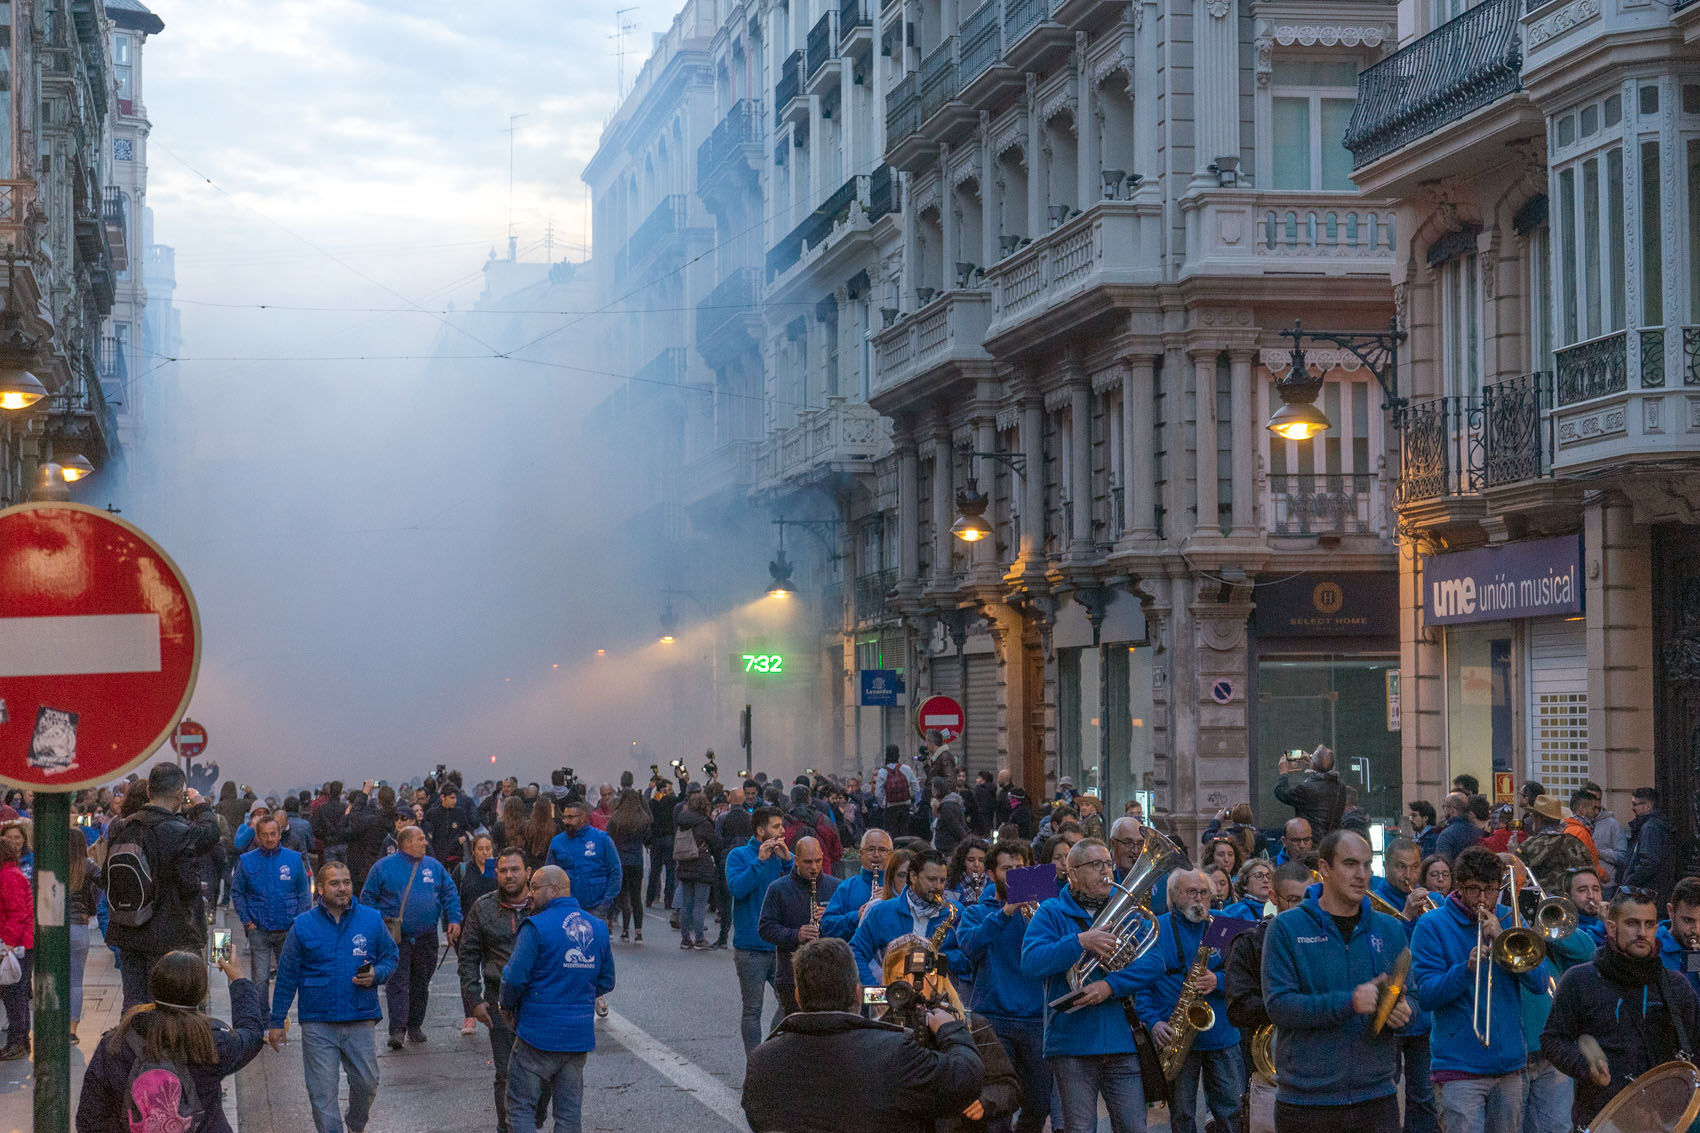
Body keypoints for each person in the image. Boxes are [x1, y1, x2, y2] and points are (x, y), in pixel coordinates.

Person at [741, 937, 984, 1133]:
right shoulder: (893, 1052)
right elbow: (964, 1079)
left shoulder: (762, 1059)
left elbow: (758, 1117)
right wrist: (948, 1028)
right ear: (858, 995)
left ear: (798, 997)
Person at [1260, 829, 1413, 1132]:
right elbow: (1279, 1006)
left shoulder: (1390, 929)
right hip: (1307, 1102)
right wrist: (1351, 1002)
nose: (1362, 875)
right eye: (1350, 864)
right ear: (1325, 869)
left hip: (1376, 1097)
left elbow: (1415, 997)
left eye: (1368, 865)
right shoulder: (1285, 928)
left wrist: (1404, 1011)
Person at [1410, 845, 1553, 1132]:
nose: (1484, 899)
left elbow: (1539, 983)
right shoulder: (1432, 924)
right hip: (1459, 1068)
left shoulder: (1510, 919)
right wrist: (1464, 970)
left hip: (1510, 1064)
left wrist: (1504, 942)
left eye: (1491, 889)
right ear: (1459, 886)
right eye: (1474, 889)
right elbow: (1426, 995)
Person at [1020, 838, 1149, 1133]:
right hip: (1072, 1042)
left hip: (1120, 1039)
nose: (1106, 872)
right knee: (1079, 1128)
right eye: (1095, 865)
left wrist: (1110, 986)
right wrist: (1079, 942)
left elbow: (1153, 963)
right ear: (1073, 873)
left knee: (1134, 1127)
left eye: (1108, 864)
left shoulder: (1126, 910)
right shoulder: (1051, 911)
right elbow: (1031, 962)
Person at [1543, 886, 1700, 1127]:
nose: (1642, 932)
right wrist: (1586, 1066)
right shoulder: (1580, 980)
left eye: (1649, 924)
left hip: (1663, 1122)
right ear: (1611, 927)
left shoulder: (1676, 986)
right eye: (1632, 923)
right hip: (1601, 1116)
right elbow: (1552, 1040)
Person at [266, 861, 398, 1133]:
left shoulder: (371, 919)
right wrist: (276, 1021)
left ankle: (355, 1123)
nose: (342, 888)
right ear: (321, 888)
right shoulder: (302, 927)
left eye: (347, 882)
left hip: (360, 1016)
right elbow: (287, 976)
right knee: (322, 1094)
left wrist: (377, 974)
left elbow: (390, 957)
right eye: (335, 883)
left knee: (367, 1082)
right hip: (318, 1022)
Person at [76, 950, 265, 1133]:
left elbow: (90, 1117)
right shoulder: (212, 1041)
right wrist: (239, 981)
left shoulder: (117, 1042)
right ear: (201, 994)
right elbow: (252, 1034)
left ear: (153, 986)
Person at [499, 865, 616, 1133]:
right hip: (577, 1037)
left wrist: (505, 1006)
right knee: (568, 1115)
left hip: (537, 1034)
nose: (530, 894)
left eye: (535, 888)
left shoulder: (536, 926)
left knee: (520, 1109)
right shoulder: (597, 927)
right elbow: (607, 980)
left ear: (553, 890)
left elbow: (515, 978)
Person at [1128, 869, 1242, 1133]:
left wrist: (1219, 980)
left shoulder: (1222, 923)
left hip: (1221, 1033)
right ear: (1174, 895)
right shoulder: (1154, 927)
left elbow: (1243, 973)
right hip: (1175, 1035)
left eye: (1204, 893)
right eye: (1192, 892)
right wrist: (1153, 1021)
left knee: (1230, 1111)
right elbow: (1142, 982)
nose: (1199, 899)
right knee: (1182, 1115)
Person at [105, 761, 223, 1010]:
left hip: (129, 929)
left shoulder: (121, 827)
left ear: (149, 791)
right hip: (169, 934)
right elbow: (210, 833)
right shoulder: (177, 831)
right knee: (172, 1007)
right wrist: (201, 804)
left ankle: (132, 1046)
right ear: (180, 793)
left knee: (135, 1003)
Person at [879, 938, 1020, 1133]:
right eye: (899, 978)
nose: (911, 986)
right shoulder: (881, 1030)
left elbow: (1008, 1087)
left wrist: (986, 1100)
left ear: (936, 976)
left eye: (918, 976)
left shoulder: (969, 1024)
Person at [958, 839, 1046, 1133]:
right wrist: (1006, 912)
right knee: (997, 1106)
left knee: (1039, 1104)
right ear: (992, 873)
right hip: (993, 1018)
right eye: (1007, 869)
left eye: (1021, 868)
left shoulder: (1042, 911)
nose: (1015, 874)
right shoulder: (976, 912)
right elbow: (970, 946)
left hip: (1036, 1018)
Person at [358, 825, 462, 1049]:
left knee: (421, 982)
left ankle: (415, 1025)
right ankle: (397, 1030)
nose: (425, 843)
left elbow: (449, 892)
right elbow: (367, 898)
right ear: (405, 843)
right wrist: (377, 924)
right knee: (397, 983)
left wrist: (453, 919)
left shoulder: (434, 866)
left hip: (426, 938)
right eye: (420, 839)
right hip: (397, 938)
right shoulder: (383, 867)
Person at [1364, 836, 1439, 1133]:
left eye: (1414, 867)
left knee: (1424, 1096)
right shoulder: (1371, 902)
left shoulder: (1433, 902)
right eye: (1400, 867)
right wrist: (1406, 917)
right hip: (1389, 1011)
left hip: (1423, 1014)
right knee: (1385, 1092)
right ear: (1386, 865)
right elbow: (1386, 953)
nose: (1408, 875)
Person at [459, 847, 534, 1133]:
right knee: (505, 1072)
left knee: (543, 1072)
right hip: (499, 1001)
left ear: (527, 872)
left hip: (539, 1001)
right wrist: (474, 1001)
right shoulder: (483, 907)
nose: (509, 875)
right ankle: (508, 1128)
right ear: (496, 874)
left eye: (515, 869)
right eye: (503, 870)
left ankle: (531, 1120)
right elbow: (468, 956)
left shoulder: (541, 905)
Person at [1223, 860, 1310, 1095]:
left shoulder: (1326, 939)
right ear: (1274, 897)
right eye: (1293, 900)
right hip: (1268, 1066)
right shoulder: (1248, 943)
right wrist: (1293, 1006)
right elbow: (1239, 1008)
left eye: (1307, 900)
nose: (1302, 908)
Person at [727, 805, 793, 1053]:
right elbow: (737, 888)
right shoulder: (739, 856)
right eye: (776, 827)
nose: (782, 831)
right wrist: (759, 861)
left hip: (780, 944)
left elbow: (800, 883)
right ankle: (754, 1061)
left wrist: (788, 861)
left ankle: (768, 1051)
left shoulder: (783, 857)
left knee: (790, 1002)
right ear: (760, 830)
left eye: (781, 826)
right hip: (750, 948)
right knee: (753, 1009)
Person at [232, 814, 312, 1017]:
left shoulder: (293, 859)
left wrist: (299, 922)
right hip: (258, 929)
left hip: (288, 929)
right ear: (258, 836)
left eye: (273, 834)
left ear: (279, 834)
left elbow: (303, 893)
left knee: (289, 976)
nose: (269, 839)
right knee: (260, 979)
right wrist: (247, 921)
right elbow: (237, 892)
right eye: (265, 835)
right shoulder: (247, 861)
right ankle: (262, 1018)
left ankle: (282, 1014)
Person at [851, 848, 966, 986]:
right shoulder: (882, 911)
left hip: (940, 997)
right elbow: (855, 951)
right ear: (913, 877)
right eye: (931, 879)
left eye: (942, 881)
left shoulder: (956, 912)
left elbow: (969, 960)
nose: (938, 887)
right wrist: (875, 990)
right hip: (894, 997)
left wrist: (939, 958)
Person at [758, 835, 839, 1014]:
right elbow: (765, 928)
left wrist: (833, 917)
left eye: (818, 861)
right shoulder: (778, 888)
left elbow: (850, 927)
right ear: (796, 861)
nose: (814, 867)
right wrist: (796, 935)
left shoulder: (836, 887)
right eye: (807, 862)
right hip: (791, 975)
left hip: (829, 973)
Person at [674, 790, 724, 950]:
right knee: (699, 904)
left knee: (686, 903)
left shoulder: (682, 822)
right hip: (701, 865)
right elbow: (716, 844)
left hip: (684, 863)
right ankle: (700, 938)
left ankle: (685, 938)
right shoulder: (704, 823)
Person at [821, 828, 893, 939]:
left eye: (882, 850)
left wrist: (893, 900)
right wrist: (857, 916)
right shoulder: (846, 887)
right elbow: (826, 926)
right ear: (861, 853)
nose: (876, 854)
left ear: (891, 854)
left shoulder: (899, 886)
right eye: (871, 849)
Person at [1517, 794, 1593, 893]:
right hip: (1572, 902)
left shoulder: (1530, 845)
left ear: (1538, 818)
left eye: (1533, 816)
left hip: (1542, 903)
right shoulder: (1577, 844)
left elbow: (1517, 874)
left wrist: (1512, 853)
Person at [67, 832, 102, 1044]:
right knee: (75, 981)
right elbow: (106, 882)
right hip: (79, 926)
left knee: (54, 978)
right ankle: (72, 1029)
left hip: (55, 928)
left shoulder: (53, 864)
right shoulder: (88, 865)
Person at [0, 833, 31, 1060]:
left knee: (14, 993)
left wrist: (8, 943)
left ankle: (17, 1041)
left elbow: (16, 912)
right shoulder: (11, 874)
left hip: (16, 944)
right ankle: (20, 1041)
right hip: (19, 942)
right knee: (16, 992)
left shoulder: (8, 876)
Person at [1273, 746, 1347, 837]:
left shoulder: (1307, 788)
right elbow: (1324, 775)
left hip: (1313, 839)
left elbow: (1281, 793)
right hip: (1333, 840)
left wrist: (1283, 773)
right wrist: (1313, 763)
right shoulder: (1341, 786)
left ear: (1313, 765)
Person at [1622, 787, 1677, 908]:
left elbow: (1649, 862)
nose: (1633, 808)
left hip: (1649, 891)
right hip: (1658, 891)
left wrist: (1629, 881)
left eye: (1635, 804)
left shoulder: (1650, 828)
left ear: (1647, 806)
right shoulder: (1655, 825)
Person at [1658, 875, 1700, 996]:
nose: (1696, 930)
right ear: (1671, 911)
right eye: (1688, 920)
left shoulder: (1694, 952)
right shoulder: (1653, 947)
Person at [644, 778, 678, 911]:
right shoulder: (671, 802)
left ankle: (649, 898)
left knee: (655, 870)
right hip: (669, 839)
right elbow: (679, 798)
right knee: (670, 871)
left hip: (656, 840)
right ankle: (669, 900)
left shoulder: (652, 804)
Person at [1433, 792, 1486, 863]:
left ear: (1452, 809)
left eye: (1444, 806)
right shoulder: (1480, 832)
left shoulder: (1447, 835)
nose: (1444, 810)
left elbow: (1443, 863)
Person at [932, 777, 970, 857]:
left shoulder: (947, 807)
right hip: (950, 847)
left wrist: (966, 843)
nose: (932, 791)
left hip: (949, 849)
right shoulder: (952, 803)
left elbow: (956, 827)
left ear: (938, 790)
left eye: (933, 788)